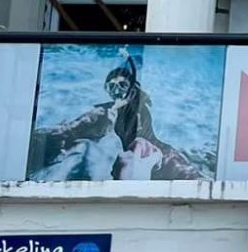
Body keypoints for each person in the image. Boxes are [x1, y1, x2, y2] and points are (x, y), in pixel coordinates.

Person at [30, 56, 207, 181]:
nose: (117, 91)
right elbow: (73, 129)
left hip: (148, 152)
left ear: (131, 88)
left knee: (180, 165)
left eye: (122, 85)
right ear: (107, 90)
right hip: (118, 160)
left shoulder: (140, 104)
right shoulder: (102, 112)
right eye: (112, 87)